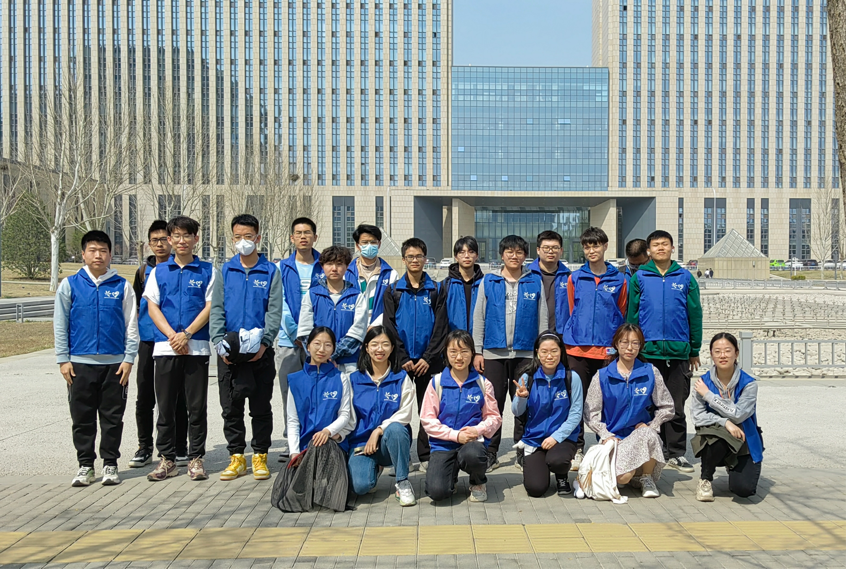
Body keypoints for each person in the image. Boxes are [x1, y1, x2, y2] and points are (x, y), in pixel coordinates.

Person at [54, 231, 139, 487]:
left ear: (110, 255)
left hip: (115, 365)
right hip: (79, 364)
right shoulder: (70, 285)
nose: (98, 255)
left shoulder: (122, 286)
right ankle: (86, 466)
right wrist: (63, 359)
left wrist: (128, 359)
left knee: (112, 418)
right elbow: (60, 324)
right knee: (82, 418)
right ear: (83, 254)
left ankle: (110, 464)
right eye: (92, 250)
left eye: (103, 250)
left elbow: (131, 325)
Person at [210, 214, 283, 482]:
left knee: (261, 406)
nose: (243, 241)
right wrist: (219, 343)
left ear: (258, 238)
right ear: (232, 239)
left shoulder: (270, 271)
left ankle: (260, 455)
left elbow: (274, 311)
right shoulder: (225, 271)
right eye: (238, 237)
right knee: (231, 407)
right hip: (230, 351)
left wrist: (265, 343)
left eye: (248, 236)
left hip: (260, 352)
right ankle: (237, 457)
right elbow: (217, 308)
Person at [143, 216, 215, 482]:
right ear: (170, 239)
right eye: (176, 236)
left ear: (196, 239)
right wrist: (173, 336)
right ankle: (167, 459)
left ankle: (196, 458)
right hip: (166, 348)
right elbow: (153, 307)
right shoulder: (159, 271)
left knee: (196, 407)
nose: (181, 241)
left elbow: (210, 306)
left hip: (196, 348)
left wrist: (187, 334)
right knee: (165, 407)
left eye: (187, 235)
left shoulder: (208, 270)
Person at [626, 230, 702, 473]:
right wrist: (632, 347)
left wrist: (694, 348)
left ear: (672, 248)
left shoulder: (685, 277)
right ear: (649, 250)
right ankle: (651, 450)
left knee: (676, 406)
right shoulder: (640, 277)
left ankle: (676, 453)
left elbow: (695, 314)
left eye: (665, 244)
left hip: (678, 353)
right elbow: (632, 314)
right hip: (648, 352)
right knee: (648, 404)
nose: (660, 248)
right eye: (656, 245)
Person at [472, 235, 548, 472]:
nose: (514, 256)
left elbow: (542, 318)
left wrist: (541, 351)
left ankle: (522, 450)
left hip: (525, 354)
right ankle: (491, 452)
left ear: (526, 255)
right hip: (493, 353)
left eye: (519, 252)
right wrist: (477, 351)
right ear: (501, 254)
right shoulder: (489, 281)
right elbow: (479, 317)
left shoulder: (534, 281)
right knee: (492, 404)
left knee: (523, 402)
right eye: (509, 252)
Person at [584, 323, 675, 498]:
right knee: (623, 478)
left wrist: (652, 425)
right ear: (616, 344)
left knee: (648, 434)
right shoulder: (602, 376)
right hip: (615, 438)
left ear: (640, 346)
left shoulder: (650, 372)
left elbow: (667, 406)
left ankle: (646, 477)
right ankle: (634, 475)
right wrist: (605, 434)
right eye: (624, 342)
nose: (629, 348)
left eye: (635, 343)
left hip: (639, 435)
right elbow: (590, 413)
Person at [563, 227, 627, 471]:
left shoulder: (620, 280)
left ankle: (606, 447)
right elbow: (572, 309)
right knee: (577, 401)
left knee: (608, 401)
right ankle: (577, 449)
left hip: (607, 351)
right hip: (578, 350)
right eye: (587, 246)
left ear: (605, 246)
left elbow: (621, 312)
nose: (592, 250)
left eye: (596, 245)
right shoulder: (575, 278)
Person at [274, 327, 354, 512]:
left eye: (328, 345)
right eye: (317, 344)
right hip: (305, 447)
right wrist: (294, 452)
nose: (322, 349)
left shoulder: (341, 378)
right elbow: (293, 421)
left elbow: (345, 414)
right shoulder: (295, 380)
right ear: (307, 346)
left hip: (332, 444)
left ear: (333, 349)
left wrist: (328, 431)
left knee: (322, 445)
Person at [130, 220, 188, 469]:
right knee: (144, 395)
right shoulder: (143, 271)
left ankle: (180, 445)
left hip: (172, 340)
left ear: (171, 241)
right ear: (149, 244)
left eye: (164, 239)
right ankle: (145, 446)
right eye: (155, 240)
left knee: (178, 395)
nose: (160, 244)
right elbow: (136, 306)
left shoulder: (179, 268)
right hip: (148, 339)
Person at [382, 237, 445, 469]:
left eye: (419, 256)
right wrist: (402, 358)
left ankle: (426, 455)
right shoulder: (393, 290)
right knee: (401, 409)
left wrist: (428, 358)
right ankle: (402, 456)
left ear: (425, 259)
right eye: (410, 256)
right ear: (403, 259)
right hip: (403, 362)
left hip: (430, 362)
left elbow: (441, 327)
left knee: (429, 409)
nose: (415, 260)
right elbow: (389, 326)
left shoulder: (436, 289)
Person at [421, 330, 502, 502]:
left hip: (472, 442)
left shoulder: (482, 383)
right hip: (443, 444)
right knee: (437, 492)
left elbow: (494, 417)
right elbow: (427, 420)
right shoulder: (436, 383)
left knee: (473, 455)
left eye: (464, 351)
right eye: (453, 352)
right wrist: (455, 435)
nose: (459, 357)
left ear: (472, 353)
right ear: (446, 353)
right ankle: (451, 476)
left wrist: (477, 430)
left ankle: (478, 482)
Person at [346, 326, 417, 506]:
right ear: (366, 347)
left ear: (392, 348)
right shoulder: (353, 380)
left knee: (396, 429)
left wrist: (379, 430)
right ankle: (373, 469)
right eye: (374, 344)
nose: (380, 349)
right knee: (360, 487)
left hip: (389, 443)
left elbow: (405, 414)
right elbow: (348, 418)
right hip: (362, 445)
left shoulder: (401, 377)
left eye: (385, 344)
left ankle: (402, 482)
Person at [691, 333, 763, 501]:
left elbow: (738, 415)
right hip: (715, 437)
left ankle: (734, 466)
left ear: (736, 353)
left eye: (727, 351)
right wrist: (725, 423)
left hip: (744, 437)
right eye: (717, 351)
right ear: (711, 354)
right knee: (715, 438)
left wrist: (709, 396)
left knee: (743, 490)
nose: (722, 355)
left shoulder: (749, 384)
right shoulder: (703, 382)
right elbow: (698, 416)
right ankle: (705, 479)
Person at [276, 217, 324, 462]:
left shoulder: (324, 265)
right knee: (291, 392)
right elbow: (280, 303)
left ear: (315, 237)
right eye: (298, 233)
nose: (303, 237)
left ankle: (317, 439)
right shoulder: (281, 267)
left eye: (307, 232)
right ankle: (292, 440)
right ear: (292, 237)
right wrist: (298, 334)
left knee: (319, 391)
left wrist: (316, 338)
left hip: (321, 343)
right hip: (289, 341)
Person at [511, 332, 582, 497]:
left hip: (562, 439)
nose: (549, 356)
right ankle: (541, 465)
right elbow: (517, 411)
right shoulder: (527, 377)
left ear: (561, 352)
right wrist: (521, 398)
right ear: (537, 353)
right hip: (534, 439)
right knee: (535, 489)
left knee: (557, 460)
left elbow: (576, 413)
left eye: (554, 351)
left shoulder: (571, 378)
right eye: (544, 351)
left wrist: (556, 437)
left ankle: (561, 475)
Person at [298, 246, 369, 373]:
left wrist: (333, 354)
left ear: (347, 266)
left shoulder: (356, 296)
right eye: (329, 264)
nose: (334, 268)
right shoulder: (312, 295)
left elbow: (358, 331)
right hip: (319, 362)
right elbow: (305, 331)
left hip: (349, 363)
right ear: (322, 266)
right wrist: (322, 354)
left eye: (339, 264)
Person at [345, 224, 398, 325]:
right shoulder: (346, 274)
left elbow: (392, 307)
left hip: (379, 329)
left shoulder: (391, 274)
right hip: (351, 327)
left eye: (373, 242)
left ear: (379, 244)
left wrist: (375, 325)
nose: (369, 246)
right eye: (365, 242)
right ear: (357, 245)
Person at [528, 230, 572, 337]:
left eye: (555, 248)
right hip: (532, 334)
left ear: (561, 251)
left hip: (561, 336)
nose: (550, 251)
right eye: (546, 248)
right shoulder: (526, 275)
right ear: (538, 250)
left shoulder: (569, 277)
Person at [438, 236, 484, 335]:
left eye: (471, 252)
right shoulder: (445, 286)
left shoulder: (485, 285)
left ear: (476, 256)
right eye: (462, 252)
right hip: (454, 341)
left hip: (479, 341)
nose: (466, 256)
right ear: (456, 257)